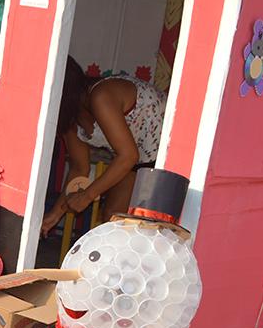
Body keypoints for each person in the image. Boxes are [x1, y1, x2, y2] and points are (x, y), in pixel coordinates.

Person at [41, 57, 168, 234]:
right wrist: (54, 216)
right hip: (141, 157)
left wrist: (87, 196)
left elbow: (128, 156)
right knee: (112, 219)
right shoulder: (71, 120)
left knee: (152, 225)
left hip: (172, 147)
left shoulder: (101, 96)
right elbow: (79, 169)